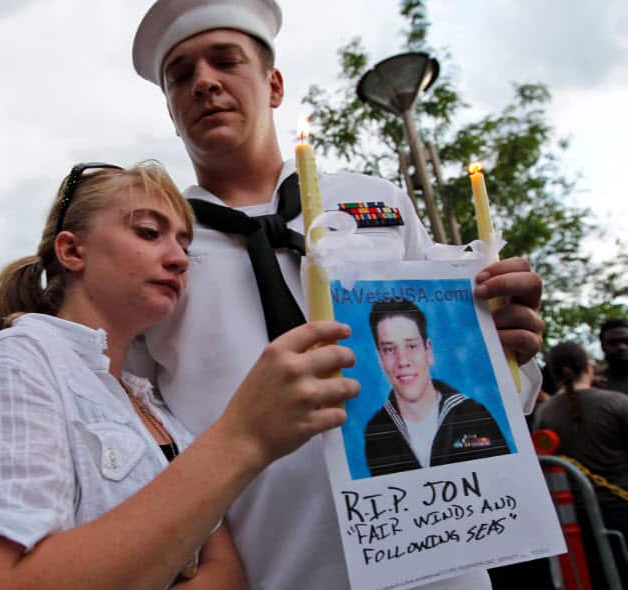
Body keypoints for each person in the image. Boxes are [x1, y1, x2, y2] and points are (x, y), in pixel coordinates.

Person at [129, 1, 545, 588]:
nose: (203, 82)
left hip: (435, 556)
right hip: (273, 563)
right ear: (171, 110)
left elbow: (468, 364)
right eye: (180, 75)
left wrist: (510, 350)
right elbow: (137, 421)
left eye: (226, 61)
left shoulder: (375, 203)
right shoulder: (154, 247)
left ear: (273, 85)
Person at [0, 161, 357, 589]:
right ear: (72, 250)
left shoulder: (146, 400)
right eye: (148, 232)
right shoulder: (16, 361)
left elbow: (225, 573)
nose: (178, 259)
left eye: (184, 245)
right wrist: (244, 438)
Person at [364, 299, 509, 476]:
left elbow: (505, 481)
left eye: (411, 346)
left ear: (428, 351)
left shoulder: (473, 415)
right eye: (389, 349)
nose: (402, 361)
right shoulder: (377, 430)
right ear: (380, 359)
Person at [534, 341, 628, 586]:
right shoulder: (618, 402)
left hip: (573, 520)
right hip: (620, 512)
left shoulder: (545, 413)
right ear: (589, 367)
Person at [598, 318, 628, 393]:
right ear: (603, 347)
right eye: (613, 343)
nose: (621, 347)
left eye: (626, 341)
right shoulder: (594, 384)